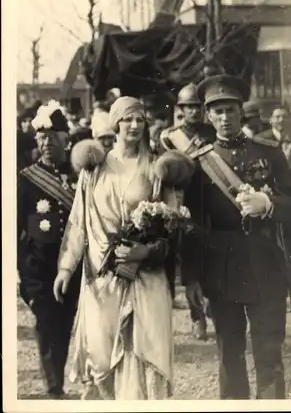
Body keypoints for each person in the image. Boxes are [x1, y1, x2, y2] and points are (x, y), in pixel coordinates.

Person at [53, 96, 190, 400]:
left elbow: (172, 227)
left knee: (144, 356)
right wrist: (66, 268)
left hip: (145, 278)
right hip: (101, 279)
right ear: (115, 124)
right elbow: (79, 221)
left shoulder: (156, 168)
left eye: (140, 119)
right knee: (101, 358)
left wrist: (146, 252)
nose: (134, 125)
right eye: (127, 119)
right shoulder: (95, 169)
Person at [192, 75, 291, 399]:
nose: (225, 118)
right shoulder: (201, 164)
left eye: (230, 110)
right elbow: (195, 225)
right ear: (208, 117)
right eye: (217, 112)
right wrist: (193, 278)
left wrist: (269, 204)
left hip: (265, 264)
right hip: (222, 269)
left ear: (242, 112)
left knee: (269, 351)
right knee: (230, 352)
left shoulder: (268, 153)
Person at [17, 101, 81, 399]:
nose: (46, 143)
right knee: (45, 322)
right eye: (41, 137)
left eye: (53, 137)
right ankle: (54, 386)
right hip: (37, 266)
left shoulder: (79, 177)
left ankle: (61, 373)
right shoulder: (26, 179)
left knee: (66, 321)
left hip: (71, 265)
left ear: (66, 140)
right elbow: (13, 227)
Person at [160, 83, 216, 341]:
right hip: (187, 204)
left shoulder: (213, 133)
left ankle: (213, 304)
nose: (194, 111)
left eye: (197, 107)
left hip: (214, 203)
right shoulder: (169, 137)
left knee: (215, 259)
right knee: (191, 264)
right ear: (181, 110)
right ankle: (197, 317)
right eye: (189, 107)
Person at [259, 104, 291, 191]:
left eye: (285, 117)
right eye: (277, 117)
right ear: (270, 120)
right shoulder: (261, 139)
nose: (281, 120)